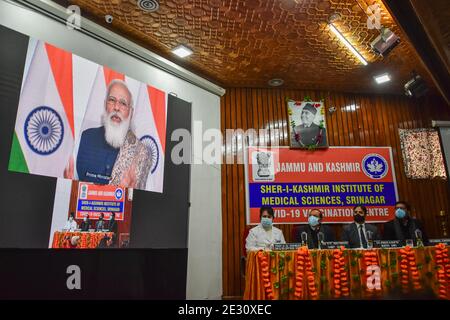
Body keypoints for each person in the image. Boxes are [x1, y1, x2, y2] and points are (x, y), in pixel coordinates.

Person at [64, 79, 152, 189]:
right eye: (112, 100)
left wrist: (131, 193)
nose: (116, 107)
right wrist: (68, 185)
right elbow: (71, 181)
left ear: (131, 112)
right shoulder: (85, 137)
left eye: (123, 103)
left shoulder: (141, 152)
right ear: (105, 105)